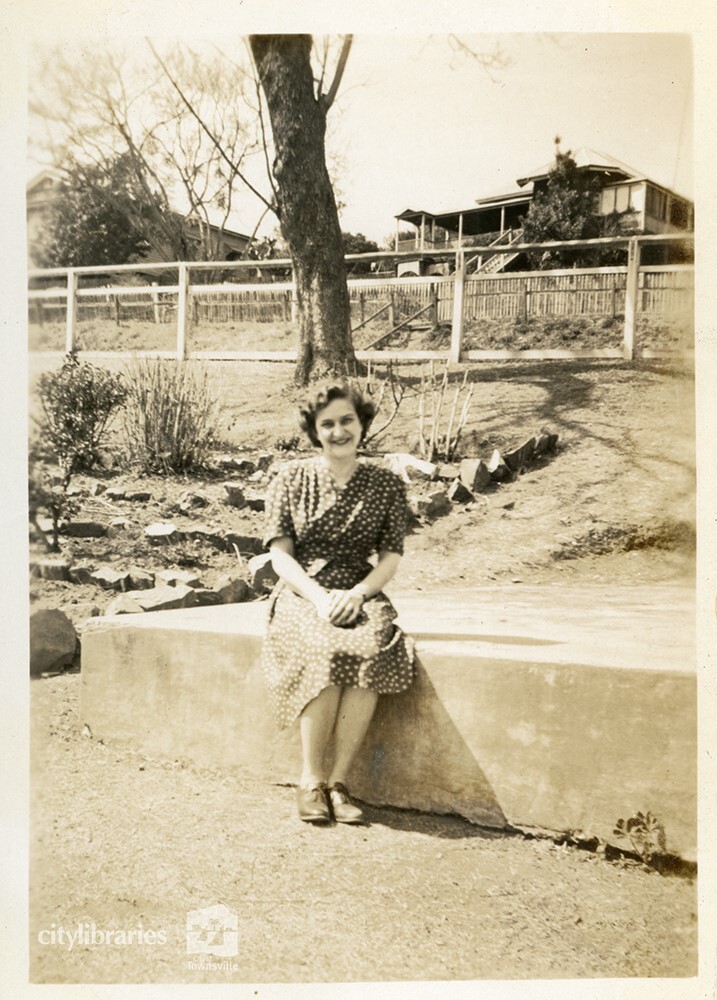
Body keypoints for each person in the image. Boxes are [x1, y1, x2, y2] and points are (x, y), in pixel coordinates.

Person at [262, 380, 415, 825]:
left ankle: (339, 783)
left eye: (347, 420)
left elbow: (391, 557)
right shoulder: (290, 478)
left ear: (361, 423)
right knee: (322, 646)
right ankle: (310, 780)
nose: (338, 431)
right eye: (327, 424)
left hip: (359, 587)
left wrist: (357, 594)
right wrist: (318, 597)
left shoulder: (385, 484)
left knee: (370, 647)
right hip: (302, 589)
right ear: (315, 431)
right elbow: (280, 556)